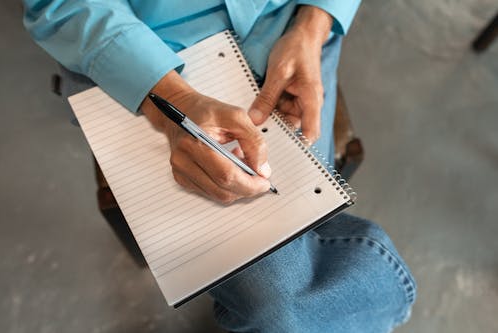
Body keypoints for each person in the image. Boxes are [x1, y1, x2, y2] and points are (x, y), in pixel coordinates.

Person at [23, 1, 416, 332]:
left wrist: (314, 23)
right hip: (143, 58)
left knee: (280, 306)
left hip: (286, 29)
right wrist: (171, 100)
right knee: (277, 307)